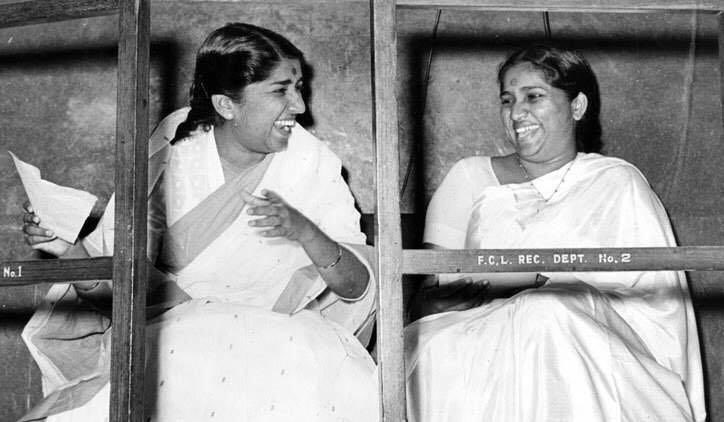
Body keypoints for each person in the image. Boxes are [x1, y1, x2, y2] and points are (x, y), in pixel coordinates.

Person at [20, 23, 378, 422]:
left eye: (298, 87)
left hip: (284, 338)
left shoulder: (311, 163)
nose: (299, 106)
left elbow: (359, 287)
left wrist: (307, 233)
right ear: (227, 105)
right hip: (174, 336)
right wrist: (69, 251)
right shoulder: (172, 150)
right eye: (281, 91)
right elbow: (121, 288)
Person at [404, 45, 705, 422]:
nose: (516, 113)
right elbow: (425, 298)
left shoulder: (618, 183)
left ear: (577, 106)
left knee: (546, 312)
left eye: (534, 97)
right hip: (476, 336)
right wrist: (450, 299)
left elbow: (659, 303)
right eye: (507, 100)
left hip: (588, 343)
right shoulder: (469, 176)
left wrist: (553, 289)